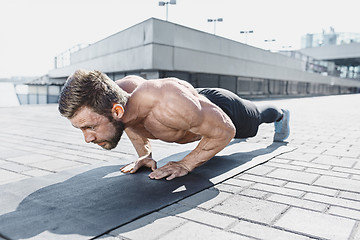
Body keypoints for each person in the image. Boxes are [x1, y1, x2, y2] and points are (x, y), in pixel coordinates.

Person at [58, 70, 290, 180]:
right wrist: (145, 154)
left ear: (117, 111)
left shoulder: (165, 103)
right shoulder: (118, 98)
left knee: (257, 118)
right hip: (192, 109)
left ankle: (281, 115)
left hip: (224, 108)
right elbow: (128, 124)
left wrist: (186, 163)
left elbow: (226, 131)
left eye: (89, 127)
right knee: (206, 126)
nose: (87, 138)